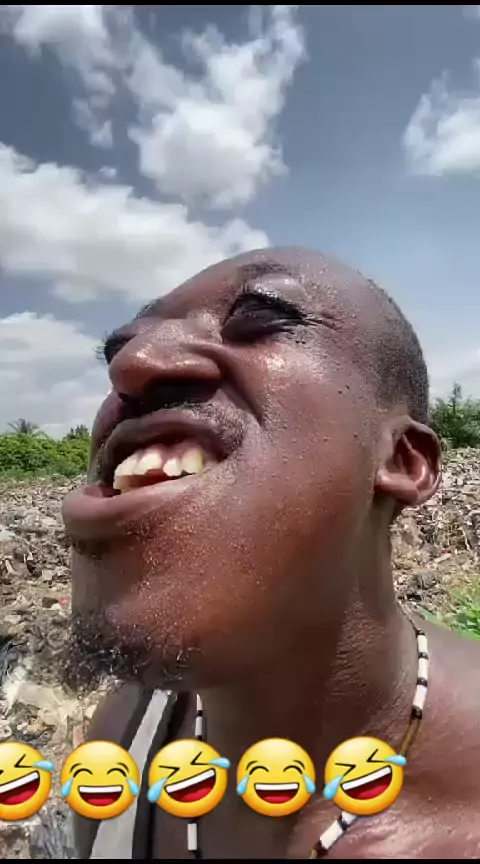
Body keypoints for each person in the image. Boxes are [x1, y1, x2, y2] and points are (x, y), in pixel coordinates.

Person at [62, 247, 480, 860]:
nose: (133, 363)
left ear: (401, 460)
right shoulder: (124, 741)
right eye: (119, 349)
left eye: (261, 316)